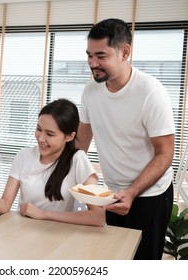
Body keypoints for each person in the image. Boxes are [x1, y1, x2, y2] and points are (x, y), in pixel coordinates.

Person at [76, 18, 175, 259]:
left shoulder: (151, 93)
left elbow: (165, 154)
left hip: (150, 194)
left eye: (101, 56)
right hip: (112, 193)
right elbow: (80, 145)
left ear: (125, 52)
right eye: (89, 55)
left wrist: (131, 192)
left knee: (142, 263)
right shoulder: (90, 91)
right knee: (113, 258)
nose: (92, 63)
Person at [0, 99, 106, 226]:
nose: (41, 138)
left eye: (50, 134)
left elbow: (97, 217)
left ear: (70, 136)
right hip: (23, 231)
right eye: (39, 129)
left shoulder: (78, 160)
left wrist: (43, 214)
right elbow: (4, 206)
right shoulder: (23, 156)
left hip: (56, 235)